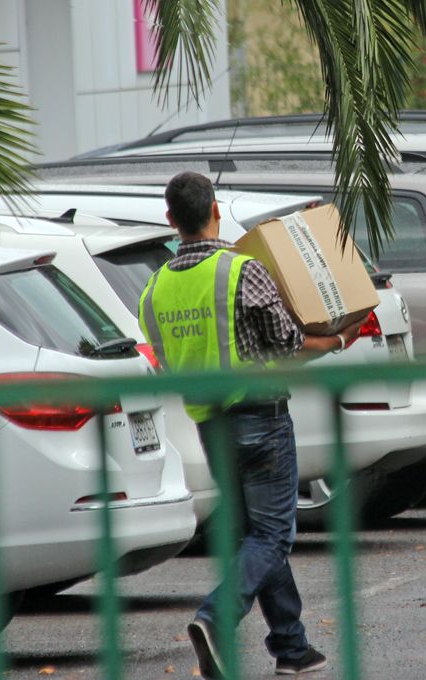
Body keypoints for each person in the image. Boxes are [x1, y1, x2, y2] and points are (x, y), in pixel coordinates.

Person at [138, 171, 360, 678]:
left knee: (255, 536)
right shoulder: (241, 270)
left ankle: (292, 647)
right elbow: (287, 349)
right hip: (260, 416)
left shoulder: (151, 293)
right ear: (215, 209)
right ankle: (215, 618)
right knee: (274, 537)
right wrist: (340, 340)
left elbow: (166, 364)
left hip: (208, 427)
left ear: (171, 220)